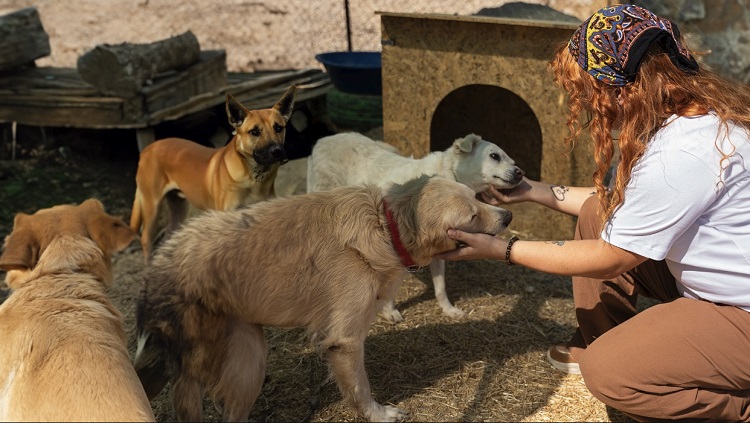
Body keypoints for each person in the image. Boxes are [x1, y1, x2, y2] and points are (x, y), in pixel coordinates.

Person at [435, 4, 750, 421]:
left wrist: (502, 249)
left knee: (608, 374)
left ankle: (737, 406)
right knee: (595, 213)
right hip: (725, 291)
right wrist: (532, 191)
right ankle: (618, 343)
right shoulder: (686, 118)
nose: (583, 104)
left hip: (740, 312)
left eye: (587, 91)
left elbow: (609, 257)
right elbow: (620, 205)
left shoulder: (684, 151)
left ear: (620, 89)